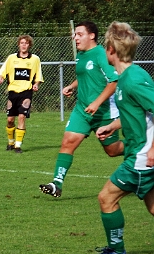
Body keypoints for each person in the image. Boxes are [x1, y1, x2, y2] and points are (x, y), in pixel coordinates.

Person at [88, 22, 154, 254]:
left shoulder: (133, 79)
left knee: (107, 197)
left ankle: (117, 252)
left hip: (141, 157)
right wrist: (112, 126)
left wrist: (153, 149)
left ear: (111, 50)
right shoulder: (128, 77)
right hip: (139, 152)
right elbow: (137, 113)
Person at [39, 21, 124, 198]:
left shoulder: (101, 54)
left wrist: (97, 103)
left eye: (79, 34)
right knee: (67, 142)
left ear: (92, 36)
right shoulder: (81, 55)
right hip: (82, 110)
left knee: (113, 150)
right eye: (75, 34)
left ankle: (143, 147)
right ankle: (56, 184)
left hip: (104, 112)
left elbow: (113, 81)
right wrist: (72, 86)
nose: (75, 37)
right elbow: (87, 76)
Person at [0, 34, 43, 153]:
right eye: (22, 43)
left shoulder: (35, 59)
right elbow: (4, 70)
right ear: (18, 45)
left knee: (22, 117)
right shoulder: (12, 58)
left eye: (26, 43)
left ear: (29, 45)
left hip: (26, 92)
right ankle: (10, 142)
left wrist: (36, 84)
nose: (24, 45)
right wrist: (1, 78)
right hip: (13, 92)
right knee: (10, 120)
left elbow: (38, 74)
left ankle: (18, 146)